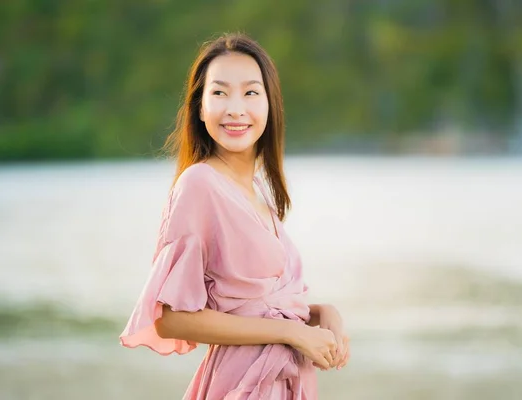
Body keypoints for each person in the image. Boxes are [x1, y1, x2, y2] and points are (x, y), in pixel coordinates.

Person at [119, 32, 350, 399]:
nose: (236, 109)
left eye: (251, 93)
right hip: (242, 386)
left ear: (270, 104)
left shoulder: (258, 191)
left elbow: (258, 307)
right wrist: (291, 333)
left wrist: (323, 314)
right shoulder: (199, 184)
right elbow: (171, 319)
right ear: (200, 106)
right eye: (220, 92)